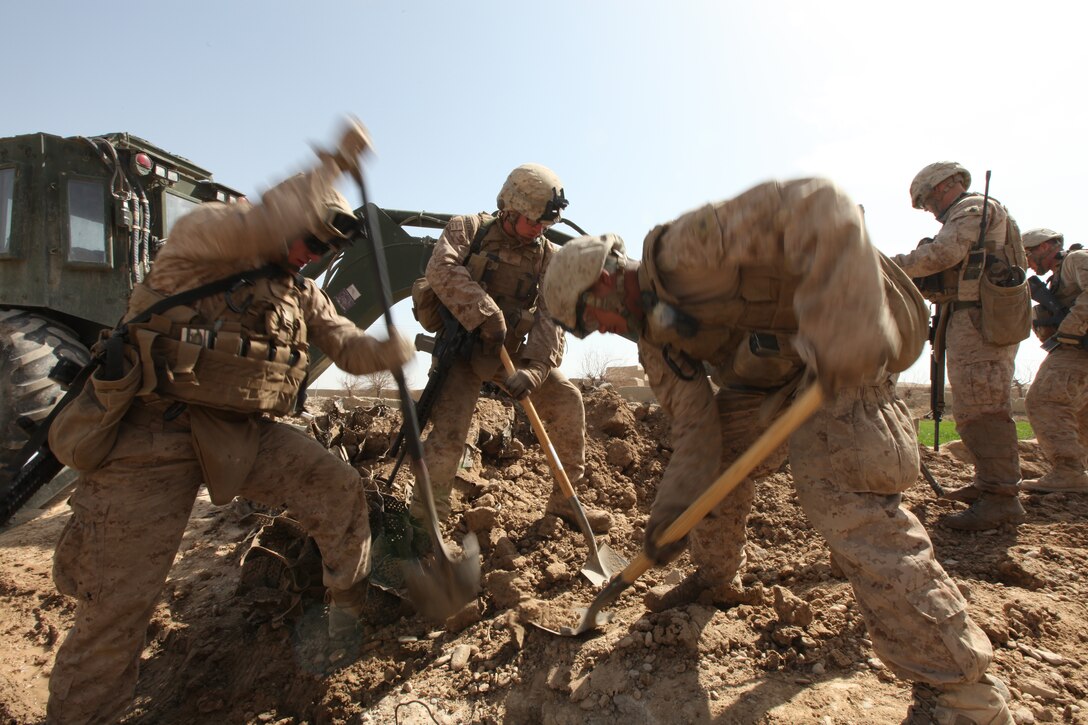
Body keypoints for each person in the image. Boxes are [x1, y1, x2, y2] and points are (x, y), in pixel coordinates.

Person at [541, 178, 1013, 725]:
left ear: (602, 282)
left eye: (590, 319)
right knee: (718, 462)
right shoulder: (656, 341)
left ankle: (961, 690)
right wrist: (665, 524)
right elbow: (696, 433)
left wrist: (843, 324)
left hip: (851, 335)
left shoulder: (682, 250)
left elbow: (822, 204)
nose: (600, 331)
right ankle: (715, 579)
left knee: (840, 495)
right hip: (775, 376)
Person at [46, 120, 415, 725]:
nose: (308, 255)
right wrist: (331, 163)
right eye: (306, 239)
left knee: (338, 489)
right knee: (117, 608)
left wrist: (391, 351)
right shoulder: (210, 235)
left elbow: (346, 346)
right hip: (152, 431)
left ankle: (347, 607)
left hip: (242, 435)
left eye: (322, 250)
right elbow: (264, 222)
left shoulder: (299, 291)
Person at [410, 164, 611, 532]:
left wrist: (535, 369)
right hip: (461, 353)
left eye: (545, 224)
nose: (540, 229)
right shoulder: (467, 229)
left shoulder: (547, 255)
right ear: (510, 209)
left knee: (568, 401)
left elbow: (553, 314)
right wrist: (485, 312)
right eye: (533, 221)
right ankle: (425, 526)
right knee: (448, 438)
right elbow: (440, 269)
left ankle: (565, 503)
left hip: (511, 353)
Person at [891, 162, 1026, 530]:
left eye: (929, 200)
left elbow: (942, 254)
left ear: (947, 186)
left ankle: (1001, 500)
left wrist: (887, 266)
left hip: (981, 321)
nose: (930, 210)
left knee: (983, 410)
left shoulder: (973, 209)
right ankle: (990, 485)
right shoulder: (971, 214)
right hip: (971, 319)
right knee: (972, 408)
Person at [1021, 228, 1088, 493]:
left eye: (1029, 253)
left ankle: (1068, 471)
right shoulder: (1058, 276)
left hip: (1076, 348)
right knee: (1080, 410)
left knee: (1044, 399)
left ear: (1048, 246)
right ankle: (1078, 472)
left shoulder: (1076, 259)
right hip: (1079, 348)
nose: (1027, 261)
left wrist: (1070, 329)